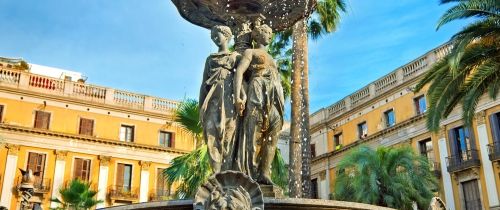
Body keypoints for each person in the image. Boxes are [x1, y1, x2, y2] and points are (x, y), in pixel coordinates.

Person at [233, 24, 284, 185]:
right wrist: (238, 96)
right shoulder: (251, 52)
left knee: (272, 134)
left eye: (270, 32)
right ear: (256, 35)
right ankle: (249, 172)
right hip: (257, 90)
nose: (270, 35)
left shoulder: (271, 57)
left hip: (274, 98)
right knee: (253, 133)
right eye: (266, 32)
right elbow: (240, 72)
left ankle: (264, 172)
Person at [199, 25, 240, 173]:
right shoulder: (210, 60)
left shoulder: (235, 57)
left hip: (229, 102)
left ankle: (227, 173)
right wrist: (200, 107)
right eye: (213, 37)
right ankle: (216, 174)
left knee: (229, 136)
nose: (215, 39)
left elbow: (241, 79)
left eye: (218, 35)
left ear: (227, 35)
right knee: (212, 134)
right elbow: (204, 84)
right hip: (212, 101)